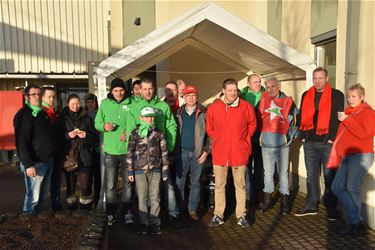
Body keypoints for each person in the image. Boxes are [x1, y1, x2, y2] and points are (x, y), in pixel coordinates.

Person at [295, 67, 345, 219]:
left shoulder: (336, 95)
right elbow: (301, 115)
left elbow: (338, 119)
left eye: (320, 78)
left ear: (327, 78)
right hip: (310, 142)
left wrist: (331, 138)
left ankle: (331, 209)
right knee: (311, 176)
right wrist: (303, 136)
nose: (317, 81)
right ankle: (311, 205)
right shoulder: (306, 95)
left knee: (329, 177)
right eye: (315, 78)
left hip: (327, 144)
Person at [206, 78, 257, 228]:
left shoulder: (246, 107)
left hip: (239, 152)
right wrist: (217, 140)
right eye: (230, 90)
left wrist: (245, 141)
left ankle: (241, 215)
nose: (233, 93)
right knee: (219, 186)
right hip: (220, 153)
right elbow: (210, 127)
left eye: (235, 90)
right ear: (223, 91)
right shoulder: (214, 107)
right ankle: (218, 214)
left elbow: (252, 124)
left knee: (240, 186)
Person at [127, 78, 179, 222]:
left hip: (160, 153)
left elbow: (171, 127)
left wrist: (169, 147)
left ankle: (170, 213)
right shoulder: (135, 107)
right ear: (139, 90)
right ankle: (145, 219)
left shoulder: (163, 106)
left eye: (150, 88)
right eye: (144, 89)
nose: (147, 92)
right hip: (142, 159)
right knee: (143, 192)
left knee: (165, 186)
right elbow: (130, 133)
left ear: (154, 89)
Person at [328, 84, 374, 235]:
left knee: (352, 188)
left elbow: (363, 134)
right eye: (349, 96)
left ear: (362, 98)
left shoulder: (368, 113)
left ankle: (353, 222)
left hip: (361, 155)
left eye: (354, 96)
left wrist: (347, 120)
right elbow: (346, 135)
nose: (350, 99)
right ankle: (356, 221)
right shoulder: (349, 112)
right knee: (337, 187)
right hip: (347, 155)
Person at [95, 78, 135, 225]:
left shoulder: (132, 103)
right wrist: (104, 126)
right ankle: (111, 212)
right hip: (111, 151)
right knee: (110, 184)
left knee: (128, 183)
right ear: (111, 91)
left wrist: (129, 132)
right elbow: (97, 123)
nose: (119, 93)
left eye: (121, 90)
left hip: (127, 151)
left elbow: (138, 123)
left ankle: (127, 211)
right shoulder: (105, 104)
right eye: (116, 91)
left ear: (125, 90)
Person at [258, 77, 299, 215]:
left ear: (279, 85)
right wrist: (260, 136)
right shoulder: (263, 100)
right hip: (266, 145)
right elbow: (256, 119)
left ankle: (284, 203)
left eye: (273, 86)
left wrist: (289, 138)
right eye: (268, 87)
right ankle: (267, 201)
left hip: (282, 146)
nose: (271, 89)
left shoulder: (288, 101)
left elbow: (296, 121)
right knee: (268, 174)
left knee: (283, 174)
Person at [127, 106, 169, 235]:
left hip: (155, 169)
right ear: (141, 118)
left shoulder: (159, 133)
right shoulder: (135, 133)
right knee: (142, 197)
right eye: (147, 116)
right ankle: (144, 223)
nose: (150, 119)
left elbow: (164, 152)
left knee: (155, 197)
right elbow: (130, 152)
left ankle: (155, 223)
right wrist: (130, 170)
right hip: (139, 170)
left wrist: (165, 169)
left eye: (152, 116)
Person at [13, 84, 55, 213]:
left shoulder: (42, 113)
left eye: (39, 94)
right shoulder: (23, 115)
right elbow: (21, 142)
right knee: (33, 198)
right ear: (27, 97)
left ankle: (37, 224)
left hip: (47, 160)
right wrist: (28, 164)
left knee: (42, 197)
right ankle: (27, 224)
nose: (37, 97)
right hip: (35, 163)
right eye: (34, 94)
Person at [55, 94, 97, 210]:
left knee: (86, 186)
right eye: (72, 103)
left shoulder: (86, 117)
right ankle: (71, 210)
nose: (75, 106)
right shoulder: (62, 118)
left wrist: (86, 135)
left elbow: (95, 137)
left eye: (77, 103)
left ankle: (86, 210)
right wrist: (68, 135)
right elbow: (56, 137)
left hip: (85, 155)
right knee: (70, 185)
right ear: (68, 104)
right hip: (70, 155)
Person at [175, 85, 210, 221]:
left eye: (193, 95)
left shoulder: (203, 112)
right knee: (179, 183)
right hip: (182, 153)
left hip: (198, 154)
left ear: (197, 97)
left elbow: (211, 135)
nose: (191, 98)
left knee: (195, 183)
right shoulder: (179, 112)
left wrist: (206, 152)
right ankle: (178, 209)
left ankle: (192, 209)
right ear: (184, 97)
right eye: (188, 95)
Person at [240, 73, 265, 207]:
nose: (258, 84)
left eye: (259, 82)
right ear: (249, 84)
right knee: (247, 168)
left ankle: (258, 196)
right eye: (255, 82)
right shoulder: (242, 97)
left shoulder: (266, 96)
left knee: (260, 169)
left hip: (261, 137)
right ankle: (248, 197)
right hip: (247, 137)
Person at [41, 86, 62, 211]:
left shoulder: (53, 111)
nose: (52, 99)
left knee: (56, 181)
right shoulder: (41, 112)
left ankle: (56, 205)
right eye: (49, 96)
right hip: (45, 153)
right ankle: (38, 211)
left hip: (55, 152)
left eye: (53, 97)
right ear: (43, 97)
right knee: (43, 184)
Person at [84, 93, 101, 208]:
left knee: (98, 178)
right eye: (88, 102)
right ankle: (87, 204)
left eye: (92, 102)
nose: (90, 104)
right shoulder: (83, 115)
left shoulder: (100, 114)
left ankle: (98, 201)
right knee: (87, 179)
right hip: (87, 151)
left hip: (99, 150)